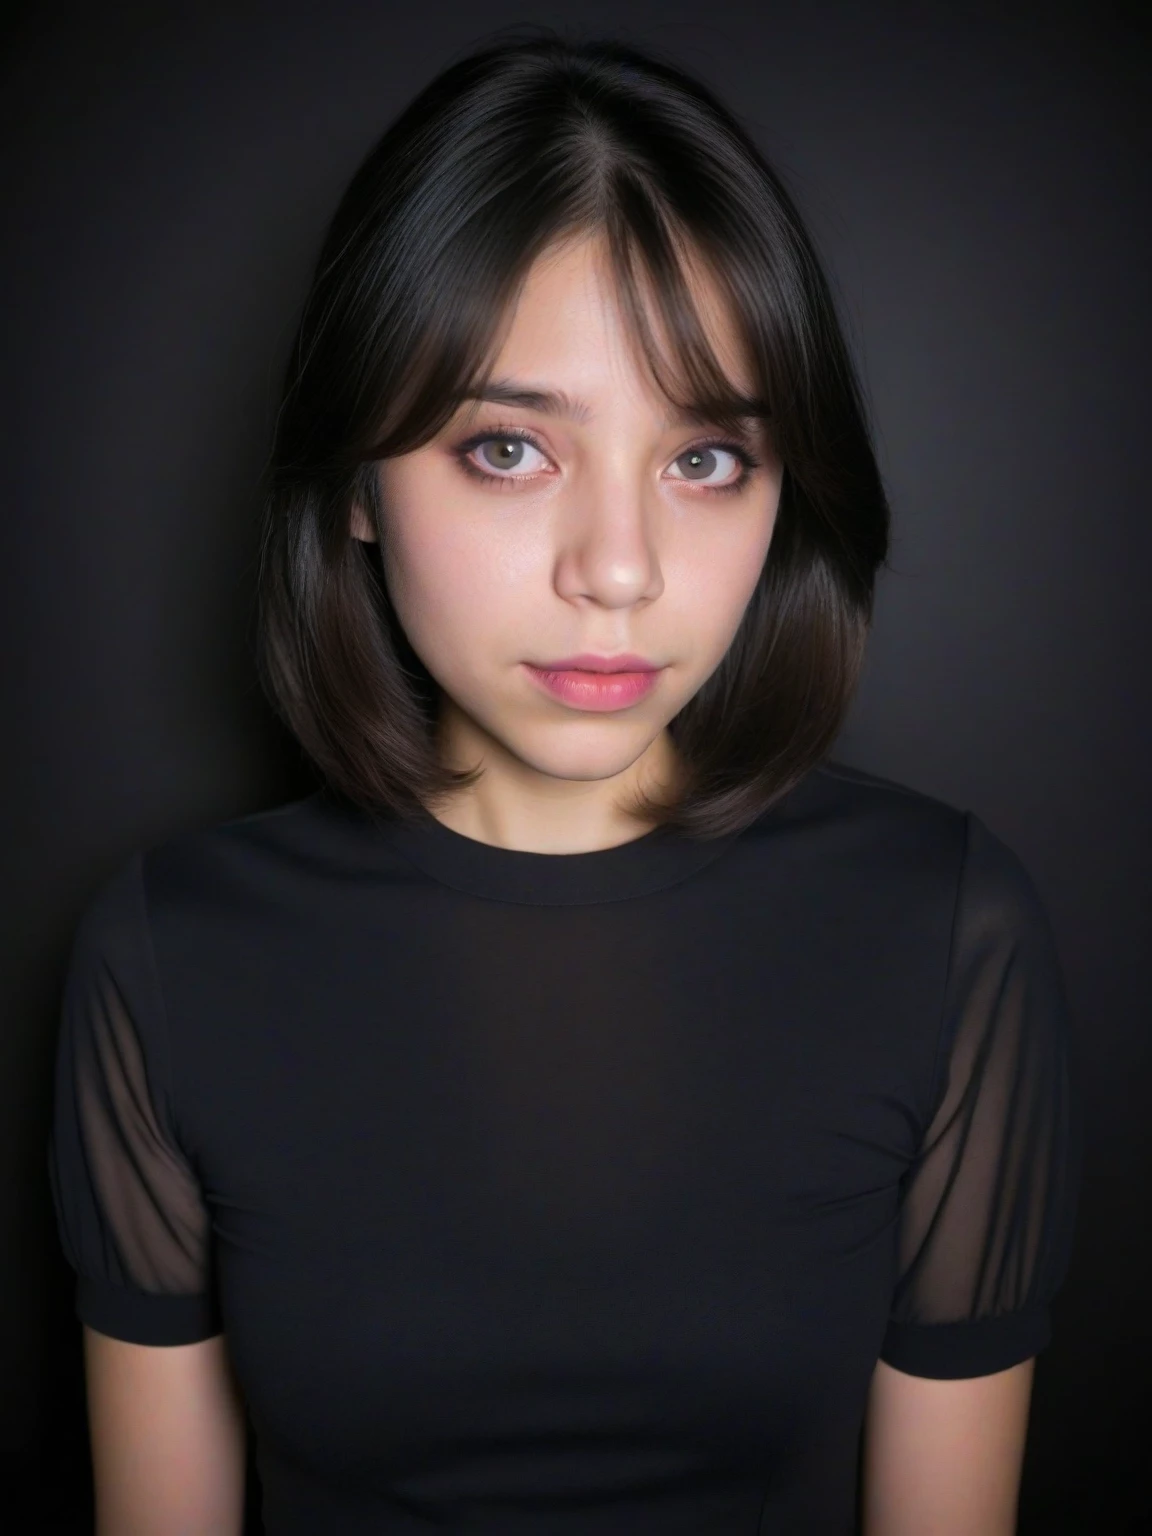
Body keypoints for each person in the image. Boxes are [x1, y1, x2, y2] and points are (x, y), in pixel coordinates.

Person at [48, 27, 1082, 1536]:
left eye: (704, 459)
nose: (619, 569)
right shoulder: (167, 953)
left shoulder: (945, 931)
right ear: (355, 482)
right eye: (510, 449)